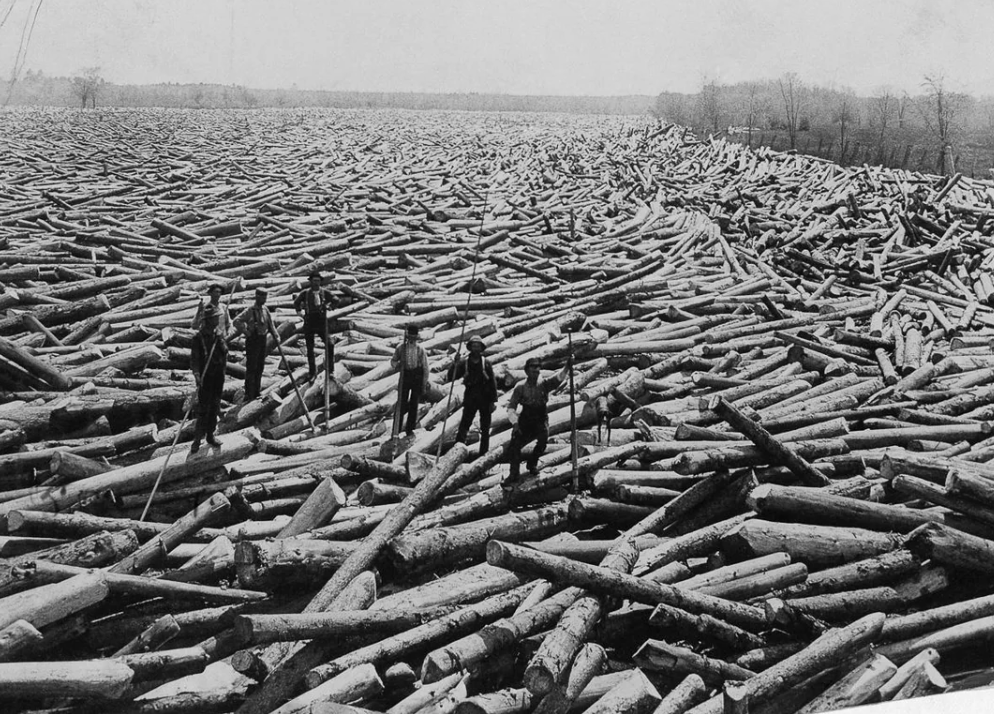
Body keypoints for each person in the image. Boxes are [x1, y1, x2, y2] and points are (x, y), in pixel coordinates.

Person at [504, 356, 569, 484]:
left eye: (537, 370)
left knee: (543, 442)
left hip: (540, 418)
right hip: (526, 419)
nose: (535, 373)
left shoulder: (543, 384)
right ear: (527, 371)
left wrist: (567, 367)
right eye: (532, 370)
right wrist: (515, 424)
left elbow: (558, 378)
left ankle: (532, 464)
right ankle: (513, 475)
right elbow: (511, 407)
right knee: (514, 446)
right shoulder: (520, 387)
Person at [190, 283, 230, 453]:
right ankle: (197, 439)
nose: (217, 320)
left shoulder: (217, 335)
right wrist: (197, 375)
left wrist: (221, 340)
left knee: (214, 406)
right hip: (205, 376)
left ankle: (210, 435)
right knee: (203, 408)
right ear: (208, 320)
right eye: (215, 318)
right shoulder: (199, 338)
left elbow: (225, 352)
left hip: (217, 375)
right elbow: (195, 359)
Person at [293, 271, 347, 380]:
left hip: (321, 322)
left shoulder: (324, 292)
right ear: (310, 282)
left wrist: (330, 307)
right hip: (309, 322)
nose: (316, 283)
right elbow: (296, 302)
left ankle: (330, 370)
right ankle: (312, 372)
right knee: (310, 348)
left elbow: (336, 300)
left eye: (318, 281)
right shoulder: (306, 293)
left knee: (330, 344)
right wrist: (299, 313)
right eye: (314, 281)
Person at [451, 334, 498, 456]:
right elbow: (451, 376)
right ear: (470, 348)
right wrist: (454, 364)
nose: (476, 348)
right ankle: (457, 449)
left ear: (481, 348)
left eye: (478, 346)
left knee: (485, 427)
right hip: (470, 396)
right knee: (464, 424)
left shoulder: (486, 363)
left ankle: (483, 453)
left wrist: (493, 401)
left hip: (485, 397)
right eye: (474, 346)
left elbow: (492, 382)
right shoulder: (464, 363)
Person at [233, 288, 274, 401]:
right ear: (256, 297)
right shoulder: (250, 310)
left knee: (260, 366)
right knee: (251, 367)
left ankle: (256, 391)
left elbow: (271, 324)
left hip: (262, 340)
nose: (264, 299)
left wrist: (276, 335)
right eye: (262, 297)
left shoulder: (265, 310)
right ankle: (248, 393)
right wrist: (246, 331)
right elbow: (236, 321)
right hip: (253, 341)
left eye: (265, 297)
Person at [390, 325, 430, 436]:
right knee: (401, 403)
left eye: (414, 338)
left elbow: (426, 367)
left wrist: (423, 383)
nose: (411, 340)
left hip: (416, 376)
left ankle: (410, 430)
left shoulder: (420, 349)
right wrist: (398, 365)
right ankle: (396, 430)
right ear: (407, 337)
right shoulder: (401, 348)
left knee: (414, 404)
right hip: (405, 376)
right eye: (410, 337)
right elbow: (393, 361)